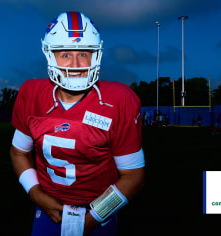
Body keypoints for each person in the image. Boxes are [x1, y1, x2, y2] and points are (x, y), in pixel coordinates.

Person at [10, 12, 145, 236]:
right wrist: (35, 193)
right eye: (65, 54)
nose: (75, 64)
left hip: (100, 216)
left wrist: (93, 217)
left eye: (83, 53)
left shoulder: (119, 100)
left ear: (96, 55)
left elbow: (133, 176)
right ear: (50, 56)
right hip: (47, 210)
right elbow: (18, 153)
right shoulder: (32, 93)